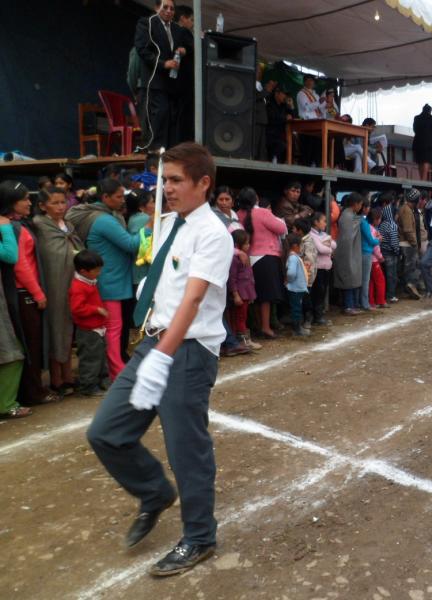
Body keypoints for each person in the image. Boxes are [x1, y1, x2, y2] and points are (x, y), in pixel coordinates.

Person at [87, 142, 233, 577]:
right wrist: (151, 349)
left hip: (186, 350)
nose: (165, 187)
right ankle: (154, 493)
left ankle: (200, 537)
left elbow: (192, 300)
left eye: (175, 180)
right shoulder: (171, 223)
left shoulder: (214, 233)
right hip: (156, 341)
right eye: (163, 179)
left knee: (186, 449)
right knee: (106, 432)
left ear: (203, 183)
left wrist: (160, 357)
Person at [67, 179, 147, 381]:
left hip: (111, 279)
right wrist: (149, 227)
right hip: (110, 281)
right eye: (119, 197)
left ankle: (113, 370)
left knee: (113, 329)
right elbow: (131, 244)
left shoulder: (108, 217)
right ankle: (117, 371)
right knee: (113, 329)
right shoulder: (104, 220)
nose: (122, 201)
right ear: (105, 197)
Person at [3, 182, 61, 406]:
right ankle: (32, 392)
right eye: (24, 199)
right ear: (10, 202)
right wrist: (38, 293)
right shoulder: (11, 227)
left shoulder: (19, 224)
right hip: (22, 293)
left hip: (23, 292)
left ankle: (31, 389)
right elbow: (20, 264)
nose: (29, 202)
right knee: (30, 345)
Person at [34, 187, 84, 396]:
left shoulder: (69, 225)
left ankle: (69, 375)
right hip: (53, 285)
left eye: (63, 202)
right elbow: (47, 255)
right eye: (54, 203)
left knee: (69, 326)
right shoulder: (39, 226)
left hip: (73, 284)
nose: (60, 207)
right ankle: (56, 378)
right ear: (42, 206)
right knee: (56, 326)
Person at [134, 0, 186, 150]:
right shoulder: (147, 23)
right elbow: (142, 49)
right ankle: (153, 156)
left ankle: (166, 155)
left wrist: (183, 50)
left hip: (171, 85)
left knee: (170, 121)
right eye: (165, 7)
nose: (169, 11)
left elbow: (185, 45)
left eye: (172, 8)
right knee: (157, 120)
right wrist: (163, 63)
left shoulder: (176, 29)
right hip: (153, 83)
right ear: (157, 8)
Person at [239, 188, 287, 340]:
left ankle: (253, 326)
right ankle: (265, 328)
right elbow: (282, 228)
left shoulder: (239, 214)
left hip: (246, 258)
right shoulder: (262, 213)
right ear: (256, 199)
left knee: (250, 297)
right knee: (265, 297)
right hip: (266, 257)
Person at [0, 189, 30, 418]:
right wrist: (4, 226)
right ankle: (6, 404)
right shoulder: (6, 225)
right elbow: (11, 256)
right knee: (12, 353)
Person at [70, 250, 109, 396]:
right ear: (83, 271)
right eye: (96, 270)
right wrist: (96, 310)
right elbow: (77, 308)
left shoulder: (89, 282)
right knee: (90, 359)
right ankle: (88, 387)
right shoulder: (79, 286)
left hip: (97, 327)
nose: (99, 273)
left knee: (100, 357)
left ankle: (102, 381)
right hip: (88, 330)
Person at [228, 229, 260, 350]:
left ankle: (242, 340)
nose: (248, 245)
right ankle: (244, 341)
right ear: (237, 244)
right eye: (246, 243)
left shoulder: (244, 257)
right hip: (240, 294)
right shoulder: (235, 259)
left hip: (246, 293)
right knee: (240, 317)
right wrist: (236, 294)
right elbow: (232, 278)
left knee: (242, 316)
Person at [333, 194, 364, 315]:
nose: (361, 207)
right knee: (348, 278)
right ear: (355, 204)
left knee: (350, 278)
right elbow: (347, 237)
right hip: (346, 252)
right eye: (360, 204)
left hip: (349, 251)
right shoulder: (347, 216)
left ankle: (350, 305)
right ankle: (348, 306)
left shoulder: (350, 215)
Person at [308, 212, 335, 325]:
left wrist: (327, 245)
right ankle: (316, 317)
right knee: (318, 293)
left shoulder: (323, 234)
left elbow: (334, 244)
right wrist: (328, 248)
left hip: (326, 268)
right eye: (323, 221)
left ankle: (319, 315)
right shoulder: (311, 235)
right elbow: (321, 249)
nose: (325, 223)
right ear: (316, 222)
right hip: (318, 269)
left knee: (323, 292)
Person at [173, 4, 195, 143]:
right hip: (185, 81)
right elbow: (192, 49)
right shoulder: (183, 32)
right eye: (191, 19)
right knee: (185, 116)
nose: (192, 23)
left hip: (176, 81)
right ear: (183, 19)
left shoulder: (172, 32)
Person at [396, 189, 422, 299]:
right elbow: (408, 230)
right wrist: (414, 243)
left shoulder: (404, 208)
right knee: (412, 266)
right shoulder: (407, 210)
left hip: (404, 242)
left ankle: (407, 288)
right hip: (407, 243)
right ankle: (411, 286)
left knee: (407, 267)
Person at [285, 234, 310, 336]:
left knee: (296, 307)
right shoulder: (293, 258)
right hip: (295, 289)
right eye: (300, 245)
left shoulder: (294, 257)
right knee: (296, 308)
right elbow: (291, 273)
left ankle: (297, 327)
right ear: (295, 246)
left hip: (296, 288)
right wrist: (289, 280)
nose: (301, 248)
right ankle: (297, 329)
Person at [377, 193, 400, 303]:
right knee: (392, 275)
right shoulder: (393, 225)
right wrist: (397, 252)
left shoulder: (381, 224)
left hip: (382, 251)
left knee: (385, 274)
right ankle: (391, 295)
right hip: (391, 253)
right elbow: (395, 242)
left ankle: (385, 294)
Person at [358, 202, 381, 310]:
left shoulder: (362, 221)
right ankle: (365, 303)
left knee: (365, 280)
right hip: (366, 252)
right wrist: (379, 240)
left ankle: (364, 302)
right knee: (365, 280)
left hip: (362, 252)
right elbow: (371, 241)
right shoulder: (364, 223)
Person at [264, 86, 291, 163]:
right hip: (271, 135)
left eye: (286, 95)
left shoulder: (284, 105)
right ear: (276, 94)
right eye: (283, 94)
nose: (285, 96)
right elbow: (272, 119)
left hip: (280, 135)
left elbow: (292, 114)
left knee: (288, 144)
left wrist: (290, 106)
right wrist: (285, 118)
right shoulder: (269, 104)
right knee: (281, 145)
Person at [368, 208, 388, 308]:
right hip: (374, 259)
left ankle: (371, 301)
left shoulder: (369, 228)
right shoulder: (373, 230)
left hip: (369, 259)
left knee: (371, 281)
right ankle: (380, 301)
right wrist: (380, 257)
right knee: (380, 280)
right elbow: (375, 247)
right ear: (376, 219)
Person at [412, 104, 432, 181]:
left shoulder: (417, 118)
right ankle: (423, 179)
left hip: (418, 142)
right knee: (426, 160)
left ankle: (421, 178)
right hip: (429, 144)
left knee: (420, 161)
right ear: (430, 111)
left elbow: (415, 129)